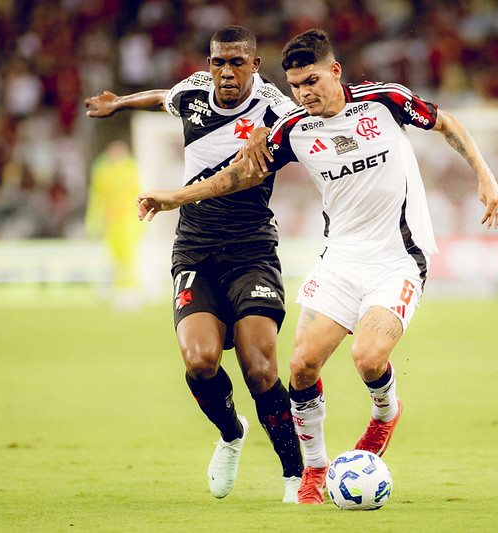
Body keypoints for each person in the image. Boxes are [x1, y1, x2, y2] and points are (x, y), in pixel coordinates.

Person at [135, 28, 498, 505]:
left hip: (397, 259)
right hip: (339, 260)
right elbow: (238, 176)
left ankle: (385, 413)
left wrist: (485, 176)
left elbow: (447, 123)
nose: (304, 93)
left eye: (312, 81)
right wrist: (174, 198)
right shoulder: (293, 128)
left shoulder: (386, 101)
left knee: (368, 358)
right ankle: (313, 471)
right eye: (295, 86)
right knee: (301, 365)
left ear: (335, 71)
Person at [84, 26, 304, 502]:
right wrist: (120, 101)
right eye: (218, 62)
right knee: (200, 361)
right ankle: (231, 433)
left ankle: (295, 476)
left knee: (260, 365)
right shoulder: (194, 93)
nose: (226, 71)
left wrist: (272, 132)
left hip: (251, 249)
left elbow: (298, 127)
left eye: (237, 63)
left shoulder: (277, 110)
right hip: (196, 249)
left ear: (255, 65)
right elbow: (166, 95)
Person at [84, 140, 144, 310]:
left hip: (129, 221)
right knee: (116, 259)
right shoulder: (103, 170)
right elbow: (98, 198)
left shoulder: (130, 169)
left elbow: (139, 193)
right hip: (111, 221)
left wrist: (142, 221)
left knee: (129, 258)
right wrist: (94, 221)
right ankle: (120, 292)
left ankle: (131, 293)